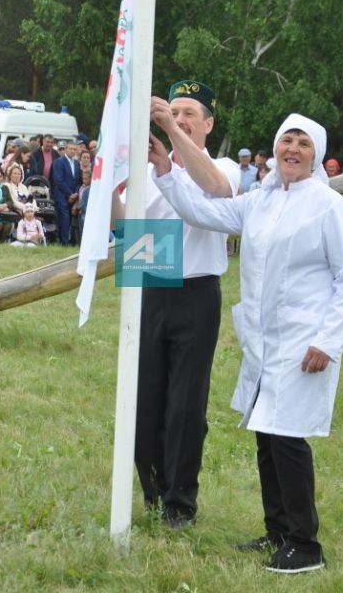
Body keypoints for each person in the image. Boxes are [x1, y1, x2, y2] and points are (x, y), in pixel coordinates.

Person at [149, 111, 343, 574]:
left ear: (317, 156)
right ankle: (279, 530)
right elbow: (203, 210)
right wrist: (166, 172)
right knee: (267, 435)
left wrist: (328, 341)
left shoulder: (330, 208)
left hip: (305, 341)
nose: (293, 150)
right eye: (287, 141)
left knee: (288, 437)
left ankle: (306, 544)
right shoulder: (259, 202)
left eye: (304, 144)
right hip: (265, 341)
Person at [111, 80, 241, 530]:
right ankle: (154, 491)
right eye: (174, 111)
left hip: (196, 292)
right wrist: (109, 187)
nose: (180, 118)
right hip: (149, 284)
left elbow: (219, 189)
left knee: (186, 404)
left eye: (190, 113)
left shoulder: (221, 164)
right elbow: (125, 226)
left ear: (208, 123)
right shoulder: (148, 168)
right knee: (143, 399)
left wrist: (169, 131)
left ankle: (180, 502)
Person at [51, 140, 81, 244]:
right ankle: (64, 243)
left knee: (72, 221)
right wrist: (70, 194)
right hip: (62, 196)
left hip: (74, 196)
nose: (73, 151)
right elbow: (59, 180)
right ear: (66, 149)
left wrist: (76, 193)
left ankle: (72, 241)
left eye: (75, 149)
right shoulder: (58, 162)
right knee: (64, 219)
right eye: (70, 149)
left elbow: (79, 181)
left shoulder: (77, 163)